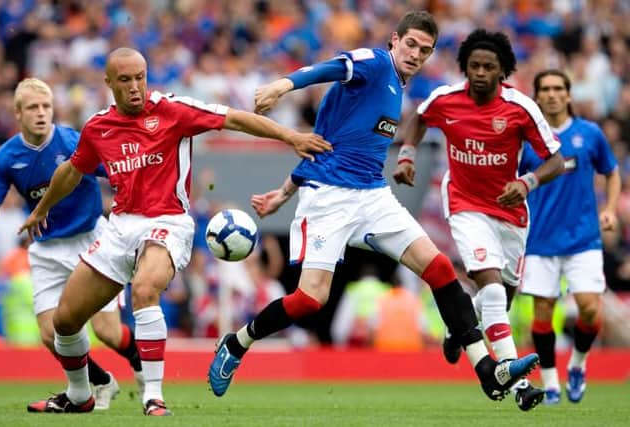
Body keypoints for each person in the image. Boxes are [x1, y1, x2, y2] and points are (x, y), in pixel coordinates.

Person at [207, 11, 540, 403]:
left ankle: (487, 369)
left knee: (440, 269)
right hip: (329, 199)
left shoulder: (398, 87)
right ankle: (237, 342)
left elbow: (331, 142)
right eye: (411, 44)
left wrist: (284, 190)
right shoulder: (375, 62)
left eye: (425, 50)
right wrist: (283, 85)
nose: (416, 54)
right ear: (395, 41)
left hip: (373, 195)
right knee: (310, 299)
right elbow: (333, 67)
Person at [18, 47, 332, 416]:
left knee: (146, 288)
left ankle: (153, 395)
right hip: (121, 226)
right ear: (109, 83)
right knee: (65, 321)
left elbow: (234, 119)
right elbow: (71, 172)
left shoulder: (172, 110)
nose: (135, 87)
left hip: (169, 221)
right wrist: (41, 209)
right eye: (125, 80)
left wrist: (291, 137)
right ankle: (79, 395)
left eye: (140, 77)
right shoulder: (98, 128)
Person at [393, 29, 565, 411]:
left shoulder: (521, 108)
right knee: (488, 283)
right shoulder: (446, 99)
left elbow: (556, 158)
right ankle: (515, 380)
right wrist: (406, 154)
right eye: (474, 66)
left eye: (489, 67)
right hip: (465, 203)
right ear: (465, 68)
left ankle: (462, 324)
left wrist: (527, 181)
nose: (481, 73)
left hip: (511, 211)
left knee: (502, 296)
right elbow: (419, 120)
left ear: (503, 71)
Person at [0, 78, 143, 411]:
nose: (41, 113)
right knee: (50, 334)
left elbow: (118, 173)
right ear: (18, 114)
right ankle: (100, 383)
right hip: (46, 247)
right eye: (33, 108)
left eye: (46, 106)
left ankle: (140, 362)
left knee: (107, 332)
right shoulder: (6, 158)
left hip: (92, 240)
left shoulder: (74, 141)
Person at [519, 69, 620, 404]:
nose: (551, 94)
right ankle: (550, 383)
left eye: (558, 88)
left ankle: (577, 364)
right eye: (545, 88)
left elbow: (612, 171)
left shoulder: (589, 134)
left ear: (568, 94)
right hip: (540, 240)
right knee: (543, 313)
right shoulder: (526, 140)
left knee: (590, 310)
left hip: (583, 238)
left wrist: (610, 208)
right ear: (537, 95)